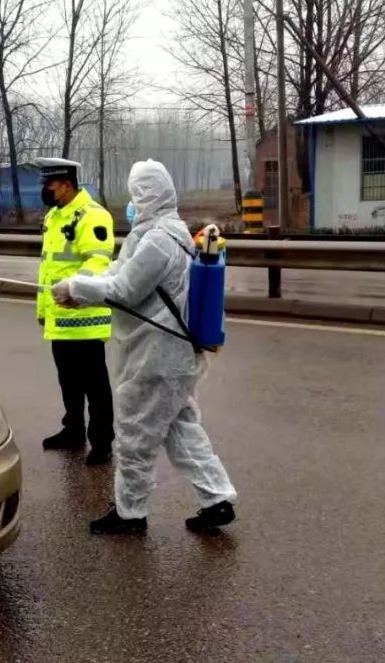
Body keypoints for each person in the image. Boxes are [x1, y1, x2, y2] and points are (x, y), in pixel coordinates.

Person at [52, 159, 237, 535]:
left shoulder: (158, 240)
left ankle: (130, 513)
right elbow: (120, 272)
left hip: (156, 359)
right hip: (171, 356)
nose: (132, 203)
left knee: (135, 435)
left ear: (147, 195)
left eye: (136, 194)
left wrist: (77, 288)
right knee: (182, 429)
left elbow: (125, 290)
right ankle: (217, 499)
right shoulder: (165, 232)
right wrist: (83, 284)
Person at [35, 157, 115, 466]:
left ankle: (102, 441)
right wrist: (43, 309)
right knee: (68, 381)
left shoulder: (93, 215)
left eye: (50, 185)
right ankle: (74, 430)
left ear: (67, 185)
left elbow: (99, 261)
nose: (46, 190)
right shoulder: (54, 216)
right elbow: (47, 267)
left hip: (84, 317)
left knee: (94, 385)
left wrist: (74, 286)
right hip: (59, 317)